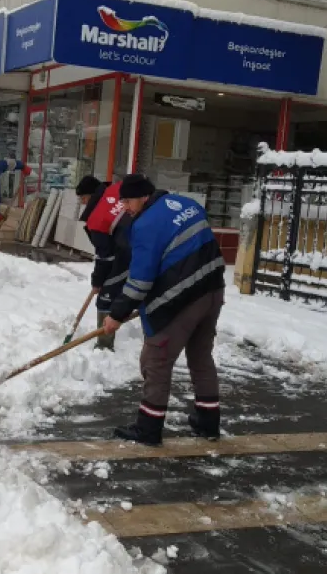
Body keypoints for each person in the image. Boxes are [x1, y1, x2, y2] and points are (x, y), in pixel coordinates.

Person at [102, 174, 226, 446]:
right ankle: (208, 422)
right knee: (201, 356)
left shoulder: (145, 224)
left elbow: (140, 281)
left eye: (129, 201)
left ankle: (148, 429)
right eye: (121, 201)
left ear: (144, 197)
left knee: (155, 360)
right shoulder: (185, 203)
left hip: (183, 297)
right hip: (213, 289)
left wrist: (116, 315)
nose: (125, 207)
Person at [75, 175, 132, 351]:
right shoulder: (117, 189)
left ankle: (104, 346)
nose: (84, 204)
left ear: (91, 195)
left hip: (127, 254)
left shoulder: (97, 220)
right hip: (143, 246)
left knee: (107, 296)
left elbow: (105, 257)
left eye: (84, 198)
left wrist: (98, 281)